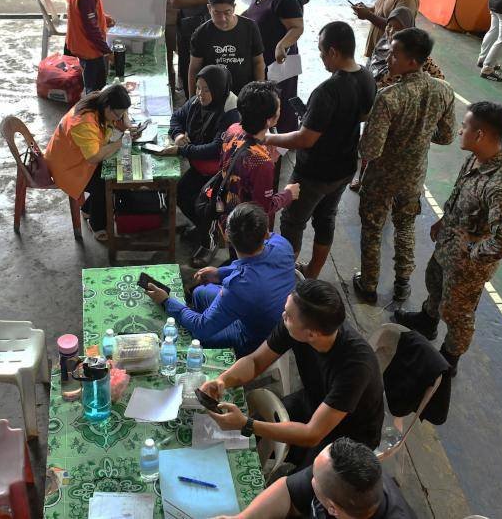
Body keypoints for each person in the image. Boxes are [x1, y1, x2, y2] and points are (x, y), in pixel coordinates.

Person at [395, 101, 502, 377]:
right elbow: (462, 189)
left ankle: (449, 359)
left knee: (458, 314)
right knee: (435, 282)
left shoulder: (500, 186)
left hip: (467, 266)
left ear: (480, 135)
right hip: (449, 244)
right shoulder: (478, 156)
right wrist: (444, 219)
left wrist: (473, 251)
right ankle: (428, 320)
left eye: (464, 127)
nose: (459, 130)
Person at [201, 279, 384, 465]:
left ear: (311, 334)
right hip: (313, 401)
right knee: (241, 437)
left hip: (349, 436)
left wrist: (247, 424)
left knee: (305, 484)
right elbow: (256, 362)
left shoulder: (355, 366)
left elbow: (312, 434)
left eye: (288, 315)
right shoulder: (297, 325)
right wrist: (223, 380)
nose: (283, 316)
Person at [352, 27, 455, 304]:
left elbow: (370, 150)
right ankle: (402, 283)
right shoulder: (442, 90)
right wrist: (420, 136)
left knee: (373, 228)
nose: (389, 59)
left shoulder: (389, 97)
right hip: (413, 177)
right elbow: (446, 136)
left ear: (412, 61)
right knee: (405, 226)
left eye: (394, 55)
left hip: (381, 177)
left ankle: (369, 282)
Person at [267, 22, 374, 279]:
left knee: (293, 220)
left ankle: (284, 277)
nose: (321, 57)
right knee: (326, 218)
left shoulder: (328, 91)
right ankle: (312, 273)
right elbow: (363, 115)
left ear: (334, 52)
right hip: (345, 167)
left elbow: (305, 139)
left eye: (322, 52)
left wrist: (271, 138)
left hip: (314, 173)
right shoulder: (368, 78)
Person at [142, 203, 295, 357]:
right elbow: (258, 265)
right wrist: (220, 274)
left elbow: (201, 327)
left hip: (259, 341)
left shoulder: (239, 286)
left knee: (194, 337)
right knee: (200, 292)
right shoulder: (281, 243)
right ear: (266, 233)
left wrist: (166, 301)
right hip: (274, 318)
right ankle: (211, 318)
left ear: (226, 236)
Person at [348, 11, 446, 193]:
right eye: (389, 25)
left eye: (397, 28)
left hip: (397, 116)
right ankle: (362, 179)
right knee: (372, 151)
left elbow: (439, 81)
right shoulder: (383, 46)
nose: (390, 30)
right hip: (376, 109)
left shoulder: (420, 62)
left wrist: (419, 127)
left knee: (381, 155)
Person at [215, 438, 416, 519]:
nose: (309, 477)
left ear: (332, 509)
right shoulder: (344, 475)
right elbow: (286, 490)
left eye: (314, 479)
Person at [165, 65, 239, 260]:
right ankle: (203, 229)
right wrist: (179, 134)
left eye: (206, 89)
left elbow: (215, 148)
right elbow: (176, 117)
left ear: (218, 88)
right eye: (198, 88)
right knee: (181, 193)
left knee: (208, 206)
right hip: (199, 167)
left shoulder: (230, 112)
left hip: (221, 172)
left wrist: (182, 150)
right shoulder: (197, 102)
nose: (200, 94)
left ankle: (209, 242)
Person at [216, 82, 299, 254]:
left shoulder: (233, 130)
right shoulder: (261, 162)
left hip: (227, 214)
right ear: (270, 119)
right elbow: (263, 208)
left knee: (234, 254)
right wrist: (288, 194)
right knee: (244, 263)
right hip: (247, 231)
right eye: (278, 106)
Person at [44, 85, 132, 241]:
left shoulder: (99, 100)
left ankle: (87, 209)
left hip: (76, 157)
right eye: (118, 115)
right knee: (107, 181)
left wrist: (125, 123)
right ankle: (97, 224)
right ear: (108, 107)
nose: (119, 118)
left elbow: (118, 119)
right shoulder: (84, 123)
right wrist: (120, 143)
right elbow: (93, 157)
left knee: (115, 171)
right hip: (67, 167)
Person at [245, 0, 304, 133]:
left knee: (280, 101)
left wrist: (281, 45)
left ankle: (283, 142)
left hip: (280, 61)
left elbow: (297, 28)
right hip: (262, 55)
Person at [190, 0, 265, 97]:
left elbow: (258, 62)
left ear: (234, 8)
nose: (222, 18)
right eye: (217, 13)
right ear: (209, 8)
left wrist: (259, 91)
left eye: (227, 12)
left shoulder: (250, 27)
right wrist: (192, 101)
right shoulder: (201, 34)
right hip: (213, 95)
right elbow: (194, 69)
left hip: (244, 92)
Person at [65, 0, 118, 94]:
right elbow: (91, 28)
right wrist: (107, 51)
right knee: (94, 90)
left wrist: (104, 18)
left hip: (81, 43)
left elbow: (85, 13)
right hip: (89, 49)